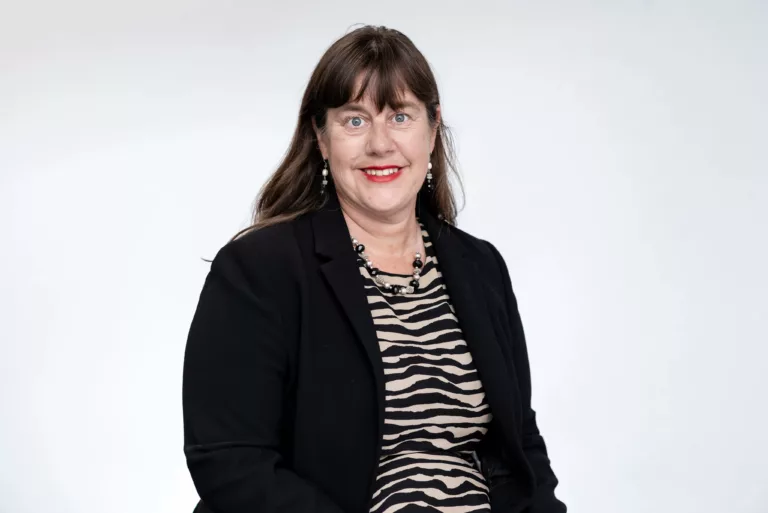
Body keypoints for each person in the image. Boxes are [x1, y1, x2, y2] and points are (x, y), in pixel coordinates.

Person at [182, 25, 566, 513]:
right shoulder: (259, 270)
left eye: (400, 116)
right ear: (321, 138)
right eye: (355, 121)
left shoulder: (482, 267)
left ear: (433, 128)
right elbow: (230, 461)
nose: (381, 145)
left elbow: (522, 443)